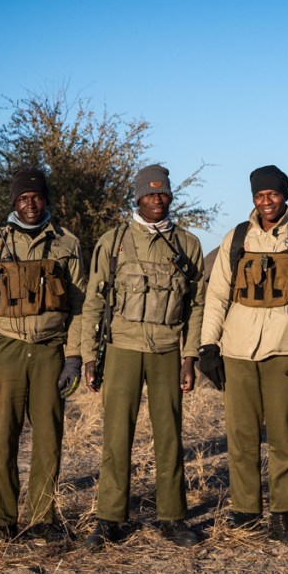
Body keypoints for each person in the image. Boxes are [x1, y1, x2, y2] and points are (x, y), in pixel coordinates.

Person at [199, 165, 288, 546]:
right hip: (237, 350)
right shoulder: (237, 237)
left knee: (282, 436)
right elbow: (218, 294)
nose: (266, 201)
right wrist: (209, 346)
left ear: (285, 195)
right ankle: (244, 512)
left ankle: (285, 516)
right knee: (240, 436)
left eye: (273, 194)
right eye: (260, 195)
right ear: (253, 197)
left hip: (286, 349)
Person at [81, 164, 205, 549]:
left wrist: (190, 356)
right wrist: (89, 355)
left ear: (170, 196)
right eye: (149, 194)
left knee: (169, 435)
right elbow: (93, 301)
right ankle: (110, 519)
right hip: (122, 347)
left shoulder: (188, 244)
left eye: (163, 193)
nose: (157, 200)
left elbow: (196, 305)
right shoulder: (114, 241)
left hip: (168, 350)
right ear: (137, 198)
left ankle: (172, 517)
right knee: (117, 436)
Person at [0, 168, 87, 544]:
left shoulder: (67, 243)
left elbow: (80, 304)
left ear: (46, 200)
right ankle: (1, 520)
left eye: (36, 197)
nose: (30, 204)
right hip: (4, 350)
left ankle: (44, 519)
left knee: (49, 438)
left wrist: (74, 357)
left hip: (51, 350)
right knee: (2, 439)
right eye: (23, 198)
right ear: (14, 203)